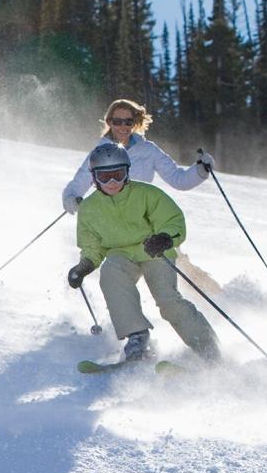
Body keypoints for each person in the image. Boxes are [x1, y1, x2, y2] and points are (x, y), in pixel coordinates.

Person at [66, 143, 221, 363]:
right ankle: (137, 336)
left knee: (168, 301)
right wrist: (84, 266)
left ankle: (207, 347)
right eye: (104, 176)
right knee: (111, 271)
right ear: (94, 178)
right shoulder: (90, 208)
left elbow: (173, 220)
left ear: (127, 172)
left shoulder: (146, 194)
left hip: (154, 250)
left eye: (117, 175)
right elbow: (93, 246)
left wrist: (165, 238)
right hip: (120, 254)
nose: (112, 182)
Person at [61, 98, 213, 214]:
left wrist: (200, 170)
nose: (123, 127)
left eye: (128, 122)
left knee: (165, 247)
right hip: (112, 217)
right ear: (109, 122)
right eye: (117, 121)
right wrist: (71, 198)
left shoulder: (148, 150)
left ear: (134, 123)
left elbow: (179, 180)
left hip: (144, 216)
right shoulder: (100, 154)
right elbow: (80, 182)